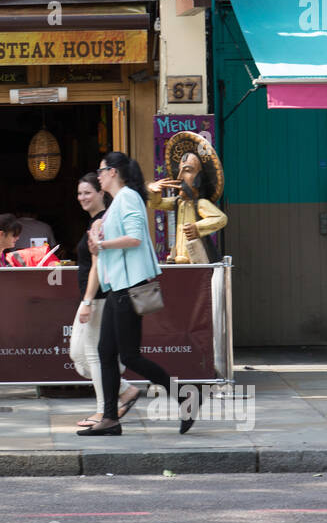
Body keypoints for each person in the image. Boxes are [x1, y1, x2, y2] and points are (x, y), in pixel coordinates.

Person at [80, 151, 194, 436]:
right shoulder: (120, 200)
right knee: (106, 352)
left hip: (129, 288)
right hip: (118, 287)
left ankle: (184, 396)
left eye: (101, 170)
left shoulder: (128, 197)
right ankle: (109, 418)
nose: (99, 175)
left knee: (128, 356)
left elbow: (135, 238)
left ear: (114, 173)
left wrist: (102, 245)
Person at [67, 173, 135, 428]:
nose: (82, 197)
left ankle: (102, 411)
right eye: (79, 193)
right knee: (78, 355)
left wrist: (87, 301)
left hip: (98, 297)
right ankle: (126, 390)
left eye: (87, 192)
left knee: (94, 355)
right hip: (89, 297)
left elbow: (97, 266)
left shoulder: (101, 223)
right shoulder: (95, 221)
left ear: (100, 193)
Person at [148, 132, 226, 264]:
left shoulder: (201, 204)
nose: (179, 177)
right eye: (179, 171)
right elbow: (156, 203)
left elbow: (221, 218)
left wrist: (197, 228)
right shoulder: (178, 202)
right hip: (179, 260)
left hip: (197, 261)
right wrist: (153, 189)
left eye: (187, 170)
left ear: (199, 177)